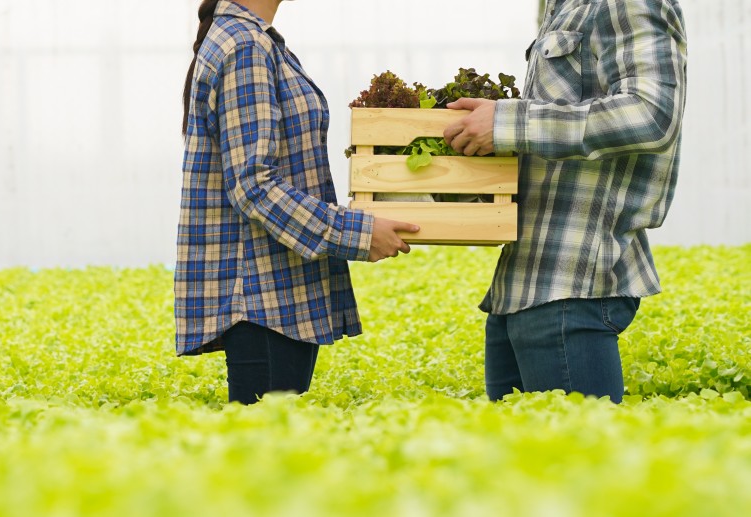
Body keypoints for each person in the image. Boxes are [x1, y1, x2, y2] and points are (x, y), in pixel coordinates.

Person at [175, 0, 419, 405]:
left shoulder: (256, 40)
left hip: (278, 296)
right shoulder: (245, 46)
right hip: (262, 298)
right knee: (264, 455)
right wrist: (357, 233)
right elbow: (253, 185)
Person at [442, 0, 687, 403]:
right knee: (521, 462)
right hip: (520, 285)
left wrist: (508, 122)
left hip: (571, 281)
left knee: (583, 461)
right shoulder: (562, 6)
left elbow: (651, 114)